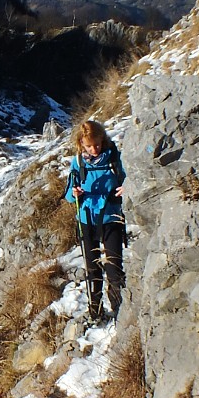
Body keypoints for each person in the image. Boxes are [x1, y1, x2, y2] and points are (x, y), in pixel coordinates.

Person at [64, 119, 127, 322]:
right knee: (92, 269)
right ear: (81, 143)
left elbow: (129, 178)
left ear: (103, 139)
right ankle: (95, 310)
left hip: (111, 218)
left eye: (97, 143)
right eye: (89, 145)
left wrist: (128, 187)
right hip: (86, 219)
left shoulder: (115, 158)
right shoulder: (78, 162)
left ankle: (119, 310)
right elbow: (68, 193)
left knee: (113, 266)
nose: (94, 149)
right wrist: (74, 193)